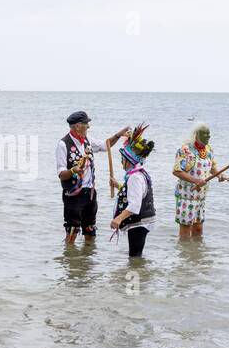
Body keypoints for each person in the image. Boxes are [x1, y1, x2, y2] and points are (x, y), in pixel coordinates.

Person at [56, 111, 126, 244]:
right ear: (77, 126)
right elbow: (61, 174)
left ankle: (86, 260)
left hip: (90, 193)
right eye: (86, 124)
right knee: (72, 231)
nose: (88, 127)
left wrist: (118, 135)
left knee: (90, 230)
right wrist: (73, 170)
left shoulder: (88, 140)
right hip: (73, 195)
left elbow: (106, 145)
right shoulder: (63, 144)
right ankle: (70, 260)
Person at [173, 121, 229, 240]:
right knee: (185, 229)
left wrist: (220, 175)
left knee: (198, 228)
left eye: (209, 134)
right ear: (196, 134)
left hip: (201, 196)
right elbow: (176, 171)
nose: (208, 137)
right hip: (186, 195)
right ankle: (184, 254)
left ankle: (197, 254)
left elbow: (212, 168)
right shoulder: (185, 150)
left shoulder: (208, 150)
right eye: (205, 134)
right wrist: (196, 181)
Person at [109, 123, 155, 258]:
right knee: (136, 256)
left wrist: (118, 218)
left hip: (139, 222)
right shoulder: (140, 173)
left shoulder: (134, 177)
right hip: (144, 220)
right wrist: (118, 185)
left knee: (135, 257)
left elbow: (135, 205)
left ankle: (136, 277)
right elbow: (136, 193)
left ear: (129, 160)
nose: (121, 161)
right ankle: (139, 275)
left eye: (122, 158)